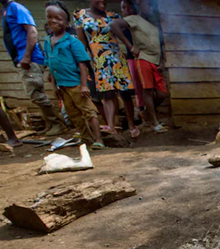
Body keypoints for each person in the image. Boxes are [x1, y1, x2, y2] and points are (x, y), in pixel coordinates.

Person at [74, 0, 139, 141]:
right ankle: (111, 127)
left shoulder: (113, 16)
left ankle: (132, 125)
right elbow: (82, 44)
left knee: (125, 92)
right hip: (99, 61)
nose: (103, 1)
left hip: (116, 58)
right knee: (107, 94)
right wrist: (83, 65)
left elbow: (127, 33)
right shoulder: (81, 16)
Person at [43, 1, 104, 150]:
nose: (54, 21)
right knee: (73, 114)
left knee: (88, 111)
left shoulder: (72, 41)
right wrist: (54, 86)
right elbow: (51, 66)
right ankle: (86, 139)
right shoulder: (47, 41)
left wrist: (84, 85)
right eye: (50, 17)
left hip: (76, 84)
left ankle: (99, 139)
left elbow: (82, 65)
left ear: (66, 22)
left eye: (58, 18)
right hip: (62, 86)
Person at [0, 0, 66, 136]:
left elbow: (32, 32)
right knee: (37, 92)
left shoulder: (17, 8)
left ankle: (57, 123)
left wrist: (27, 56)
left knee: (35, 94)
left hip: (29, 59)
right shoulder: (6, 10)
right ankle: (50, 123)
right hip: (22, 58)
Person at [111, 0, 168, 133]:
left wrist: (162, 62)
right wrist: (130, 47)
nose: (152, 9)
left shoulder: (154, 26)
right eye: (149, 6)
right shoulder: (135, 19)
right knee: (147, 91)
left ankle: (147, 113)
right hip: (143, 59)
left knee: (162, 93)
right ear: (141, 5)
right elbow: (114, 25)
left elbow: (161, 46)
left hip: (155, 62)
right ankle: (154, 123)